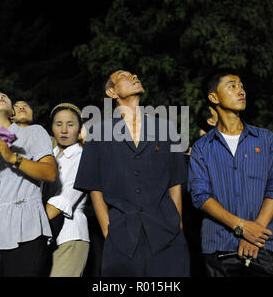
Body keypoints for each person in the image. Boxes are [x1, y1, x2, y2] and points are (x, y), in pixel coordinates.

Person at [74, 70, 190, 276]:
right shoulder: (98, 132)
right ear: (111, 92)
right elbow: (94, 187)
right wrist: (108, 229)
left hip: (166, 234)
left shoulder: (166, 127)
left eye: (135, 75)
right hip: (121, 236)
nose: (135, 77)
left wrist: (176, 222)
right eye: (124, 77)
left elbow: (176, 182)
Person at [188, 71, 273, 277]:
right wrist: (241, 227)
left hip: (264, 245)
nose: (241, 91)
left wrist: (254, 233)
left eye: (241, 86)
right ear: (214, 97)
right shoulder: (201, 148)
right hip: (219, 246)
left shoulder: (266, 139)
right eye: (232, 86)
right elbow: (200, 196)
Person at [0, 89, 57, 277]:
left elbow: (50, 173)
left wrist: (12, 157)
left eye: (4, 95)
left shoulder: (33, 132)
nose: (0, 96)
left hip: (26, 230)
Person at [45, 103, 89, 277]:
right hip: (48, 235)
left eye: (70, 125)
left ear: (79, 129)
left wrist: (32, 226)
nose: (64, 130)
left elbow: (64, 200)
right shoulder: (48, 155)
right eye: (58, 124)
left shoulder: (82, 156)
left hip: (70, 235)